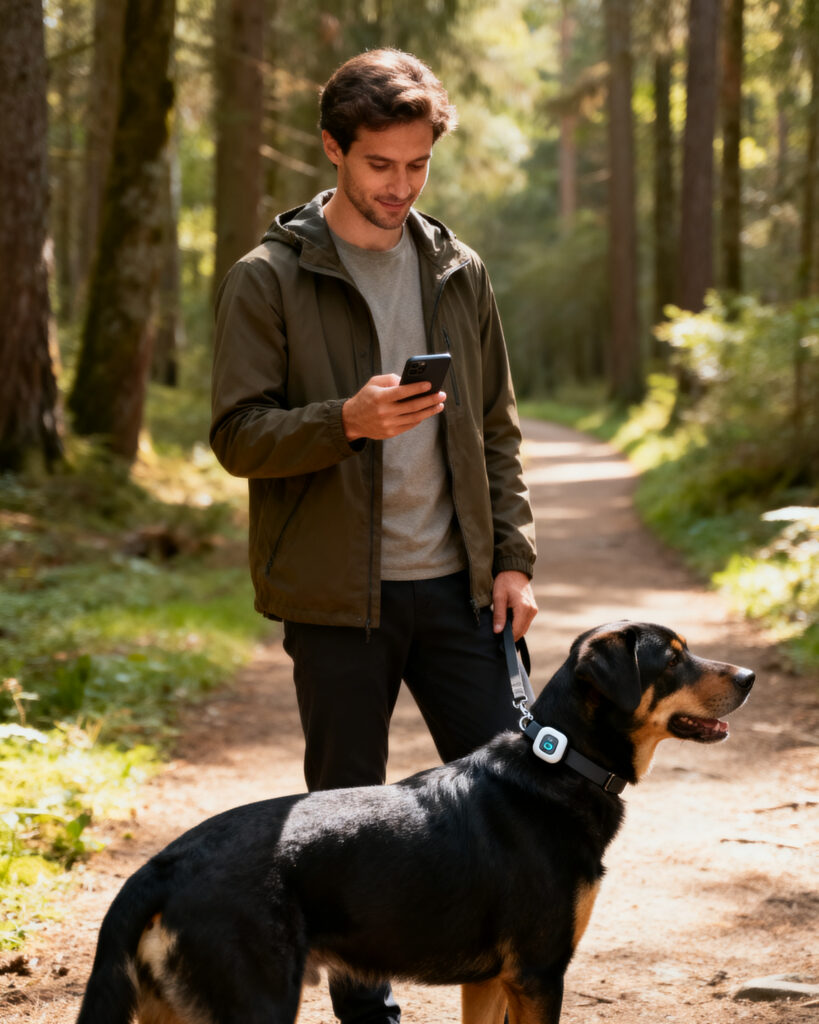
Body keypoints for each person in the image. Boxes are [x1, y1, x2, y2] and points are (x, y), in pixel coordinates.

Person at [210, 48, 537, 1024]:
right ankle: (369, 1019)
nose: (400, 186)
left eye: (417, 165)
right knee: (349, 831)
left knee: (512, 809)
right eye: (379, 165)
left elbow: (495, 430)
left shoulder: (458, 270)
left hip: (459, 592)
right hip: (335, 601)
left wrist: (512, 558)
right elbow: (236, 436)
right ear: (333, 149)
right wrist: (342, 422)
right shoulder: (268, 278)